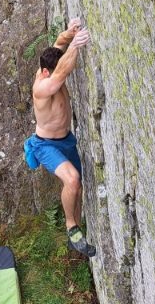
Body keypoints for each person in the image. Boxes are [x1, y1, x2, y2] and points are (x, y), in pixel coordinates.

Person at [24, 18, 96, 257]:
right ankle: (71, 225)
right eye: (55, 73)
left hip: (66, 141)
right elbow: (61, 73)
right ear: (45, 72)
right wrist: (76, 46)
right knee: (73, 180)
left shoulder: (50, 62)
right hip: (46, 145)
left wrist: (70, 33)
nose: (60, 77)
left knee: (78, 189)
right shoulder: (42, 87)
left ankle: (76, 235)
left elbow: (58, 43)